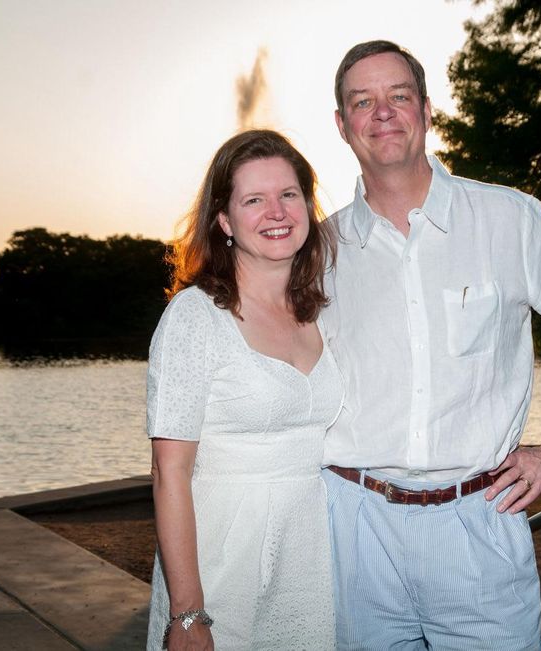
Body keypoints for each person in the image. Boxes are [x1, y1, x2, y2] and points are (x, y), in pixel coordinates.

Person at [320, 40, 541, 649]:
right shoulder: (321, 251)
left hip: (477, 525)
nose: (383, 113)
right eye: (363, 101)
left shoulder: (508, 219)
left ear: (427, 110)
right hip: (353, 529)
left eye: (398, 96)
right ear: (342, 124)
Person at [145, 129, 340, 650]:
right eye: (254, 199)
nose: (276, 212)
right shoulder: (195, 317)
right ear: (225, 221)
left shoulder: (319, 310)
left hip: (310, 554)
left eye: (288, 194)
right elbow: (168, 470)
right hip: (222, 553)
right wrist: (188, 612)